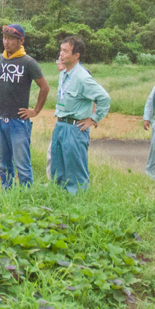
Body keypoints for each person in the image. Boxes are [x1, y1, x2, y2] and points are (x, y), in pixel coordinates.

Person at [0, 24, 49, 189]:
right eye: (4, 38)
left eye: (11, 39)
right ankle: (8, 192)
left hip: (18, 122)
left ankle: (26, 196)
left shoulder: (28, 62)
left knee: (22, 163)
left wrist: (35, 111)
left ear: (21, 40)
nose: (6, 42)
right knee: (1, 160)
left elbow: (44, 87)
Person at [49, 36, 110, 194]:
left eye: (66, 51)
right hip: (61, 124)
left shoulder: (82, 77)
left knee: (75, 171)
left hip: (75, 128)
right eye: (61, 50)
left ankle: (78, 205)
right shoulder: (64, 74)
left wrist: (93, 119)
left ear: (76, 55)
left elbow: (104, 98)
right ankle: (58, 201)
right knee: (58, 169)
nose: (61, 54)